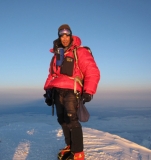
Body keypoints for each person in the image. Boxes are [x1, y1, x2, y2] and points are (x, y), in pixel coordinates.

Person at [43, 24, 100, 160]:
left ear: (70, 35)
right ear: (59, 37)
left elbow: (92, 71)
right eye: (61, 35)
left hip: (72, 90)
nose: (64, 38)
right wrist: (48, 91)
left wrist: (89, 91)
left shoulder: (80, 52)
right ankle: (70, 146)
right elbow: (51, 75)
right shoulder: (57, 55)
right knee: (62, 120)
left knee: (72, 120)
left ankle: (78, 152)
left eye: (66, 35)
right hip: (57, 91)